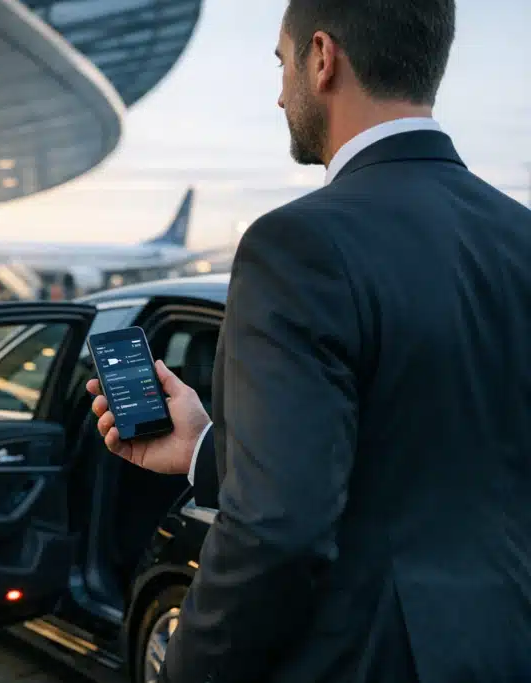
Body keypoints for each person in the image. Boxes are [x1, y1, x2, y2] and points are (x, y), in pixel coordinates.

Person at [89, 0, 531, 681]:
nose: (279, 94)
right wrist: (207, 447)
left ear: (322, 58)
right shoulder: (518, 236)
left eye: (281, 63)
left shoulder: (296, 244)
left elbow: (276, 534)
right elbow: (432, 457)